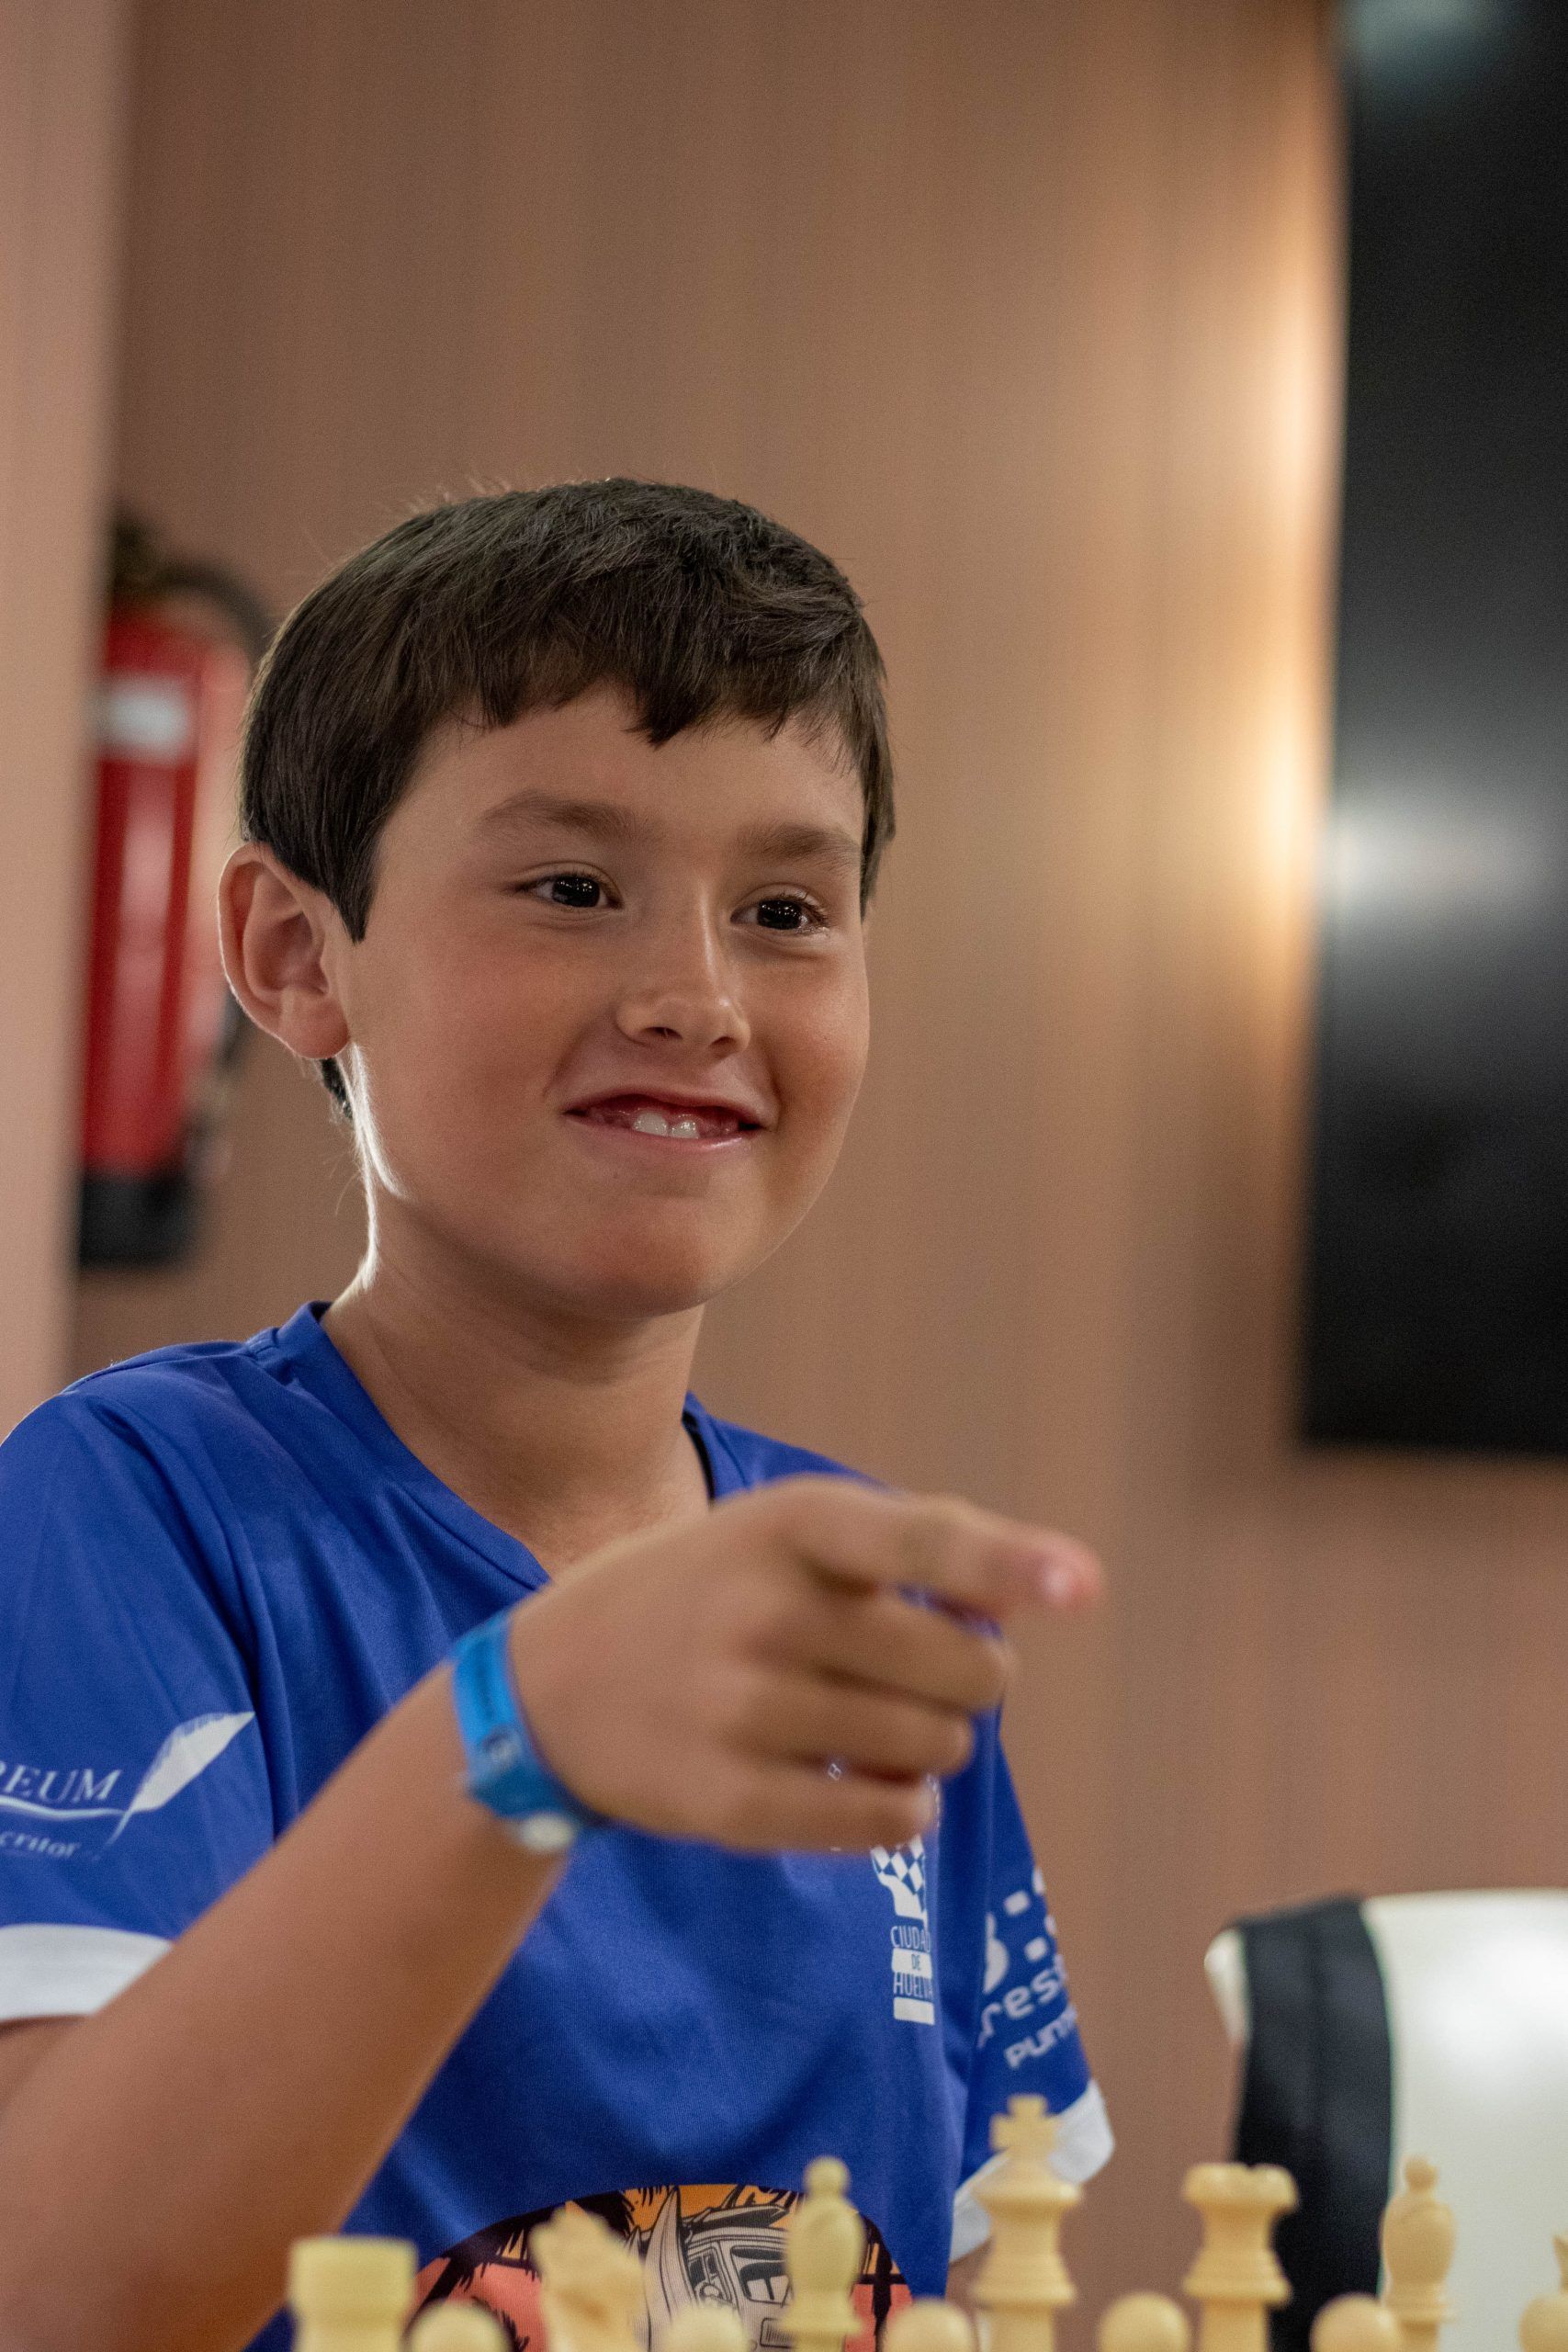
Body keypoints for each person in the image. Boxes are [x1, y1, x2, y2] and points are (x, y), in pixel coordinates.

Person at [0, 480, 1111, 2352]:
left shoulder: (856, 1595)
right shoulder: (131, 1509)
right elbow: (51, 2290)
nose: (695, 996)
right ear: (296, 954)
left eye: (786, 910)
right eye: (573, 889)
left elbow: (962, 2273)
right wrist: (519, 1734)